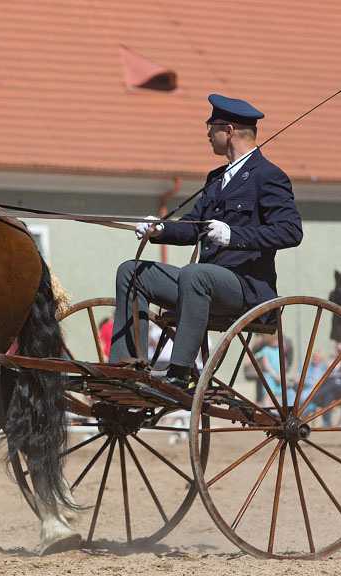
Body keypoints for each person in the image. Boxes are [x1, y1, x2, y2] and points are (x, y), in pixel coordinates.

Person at [108, 94, 303, 389]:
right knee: (131, 271)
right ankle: (127, 367)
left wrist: (234, 236)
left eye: (211, 127)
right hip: (201, 285)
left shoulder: (269, 176)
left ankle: (179, 372)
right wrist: (160, 229)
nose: (207, 134)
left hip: (244, 289)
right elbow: (193, 226)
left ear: (229, 130)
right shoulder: (216, 177)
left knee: (194, 273)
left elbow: (291, 231)